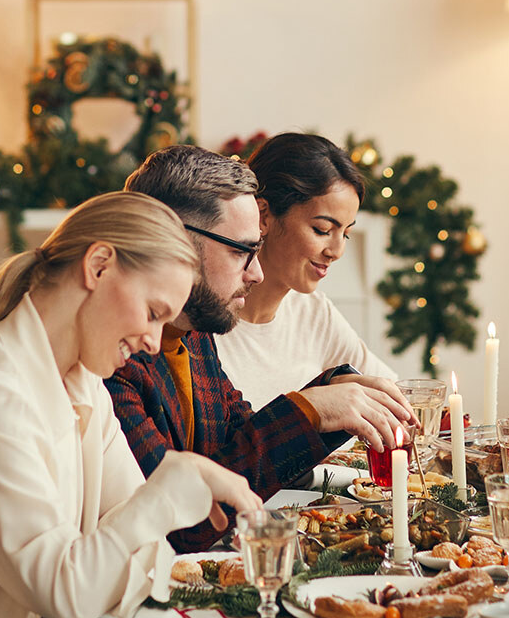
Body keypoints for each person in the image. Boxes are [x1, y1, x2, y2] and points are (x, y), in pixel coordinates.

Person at [0, 191, 261, 618]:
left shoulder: (83, 383)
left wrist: (94, 569)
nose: (152, 342)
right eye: (153, 312)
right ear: (99, 266)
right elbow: (71, 593)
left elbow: (147, 552)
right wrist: (165, 489)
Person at [105, 145, 417, 552]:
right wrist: (312, 409)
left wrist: (333, 390)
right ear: (174, 242)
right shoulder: (115, 358)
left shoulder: (192, 335)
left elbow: (238, 438)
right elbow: (182, 525)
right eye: (240, 251)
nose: (255, 271)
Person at [216, 132, 397, 410]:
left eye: (345, 234)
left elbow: (392, 393)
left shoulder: (313, 312)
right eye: (322, 230)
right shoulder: (204, 324)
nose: (336, 251)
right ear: (263, 215)